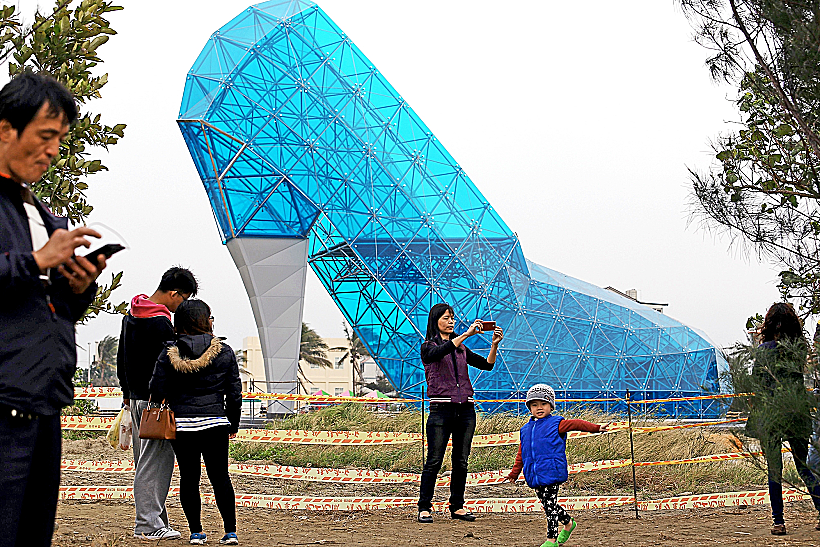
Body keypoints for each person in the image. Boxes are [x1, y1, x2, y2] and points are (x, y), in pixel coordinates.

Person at [0, 71, 108, 546]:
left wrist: (77, 288)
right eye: (45, 135)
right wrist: (37, 260)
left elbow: (47, 306)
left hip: (43, 403)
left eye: (60, 139)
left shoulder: (40, 214)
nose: (52, 151)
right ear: (6, 128)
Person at [149, 300, 242, 546]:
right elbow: (234, 393)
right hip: (216, 424)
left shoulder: (169, 353)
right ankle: (230, 532)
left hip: (182, 426)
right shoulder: (224, 351)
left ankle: (196, 532)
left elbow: (156, 389)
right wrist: (232, 423)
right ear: (205, 321)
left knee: (189, 478)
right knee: (220, 477)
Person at [117, 267, 198, 539]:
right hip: (156, 402)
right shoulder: (161, 322)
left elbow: (121, 357)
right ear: (174, 293)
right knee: (155, 464)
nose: (181, 306)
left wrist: (126, 392)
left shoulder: (132, 314)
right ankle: (148, 525)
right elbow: (169, 364)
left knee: (145, 461)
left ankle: (157, 520)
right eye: (183, 299)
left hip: (136, 399)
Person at [417, 303, 503, 523]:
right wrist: (465, 334)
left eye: (452, 318)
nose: (451, 322)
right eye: (446, 318)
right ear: (435, 320)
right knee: (434, 460)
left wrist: (494, 345)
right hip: (441, 410)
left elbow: (487, 365)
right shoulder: (428, 346)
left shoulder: (461, 348)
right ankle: (424, 507)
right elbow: (438, 353)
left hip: (465, 409)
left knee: (461, 460)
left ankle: (457, 506)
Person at [746, 302, 820, 535]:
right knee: (804, 467)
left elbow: (756, 382)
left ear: (769, 323)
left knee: (774, 471)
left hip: (770, 414)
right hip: (796, 411)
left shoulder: (763, 350)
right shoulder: (799, 348)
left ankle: (778, 521)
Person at [503, 384, 608, 547]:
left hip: (551, 471)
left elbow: (576, 424)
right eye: (534, 405)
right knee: (548, 505)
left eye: (543, 404)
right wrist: (514, 474)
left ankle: (551, 540)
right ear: (529, 408)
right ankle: (568, 522)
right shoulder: (525, 430)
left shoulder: (556, 423)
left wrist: (596, 428)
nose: (539, 408)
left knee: (550, 507)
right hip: (534, 475)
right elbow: (521, 454)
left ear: (551, 406)